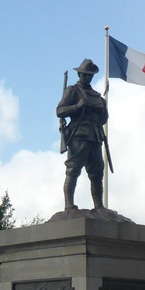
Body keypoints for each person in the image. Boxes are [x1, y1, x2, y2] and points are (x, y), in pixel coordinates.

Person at [57, 58, 108, 210]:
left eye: (90, 75)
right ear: (79, 74)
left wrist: (103, 108)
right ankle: (69, 204)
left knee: (97, 172)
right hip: (78, 135)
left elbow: (104, 119)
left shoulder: (97, 95)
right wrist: (78, 106)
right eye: (85, 74)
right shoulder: (73, 91)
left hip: (95, 136)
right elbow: (60, 111)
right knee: (73, 169)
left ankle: (99, 206)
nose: (87, 77)